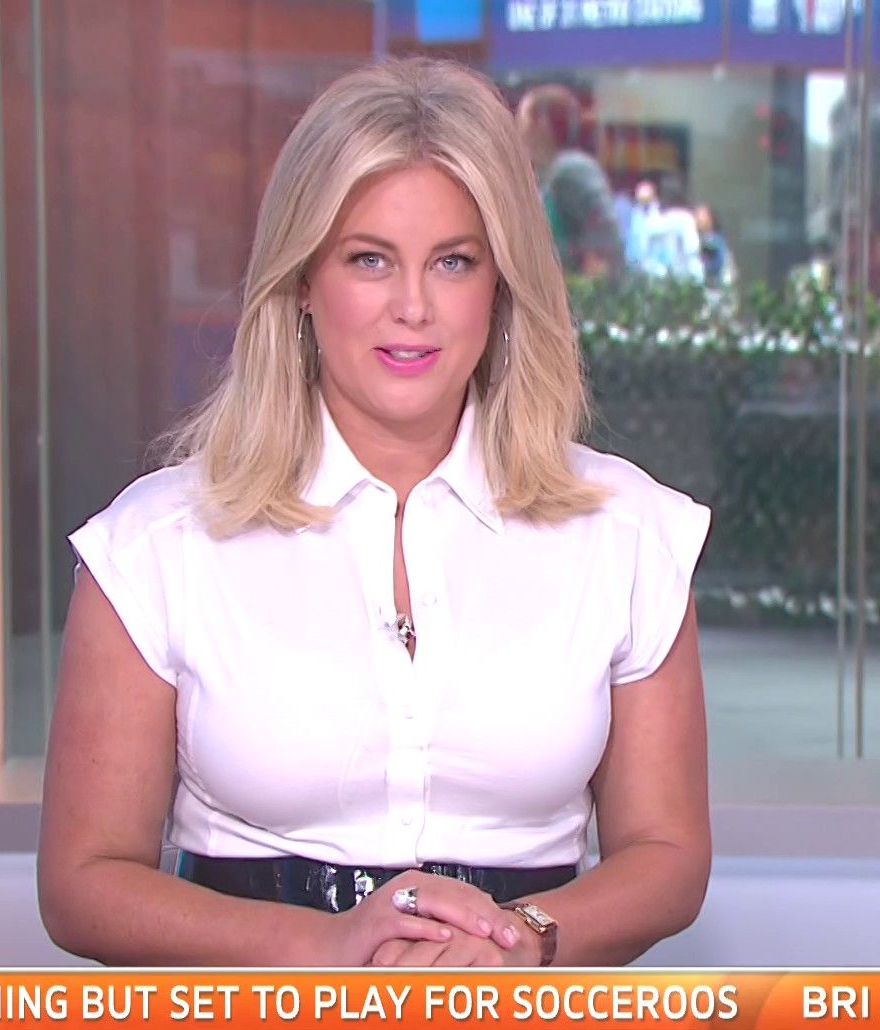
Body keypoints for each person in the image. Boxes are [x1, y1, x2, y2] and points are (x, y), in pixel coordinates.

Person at [39, 57, 713, 968]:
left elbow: (668, 856)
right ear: (302, 280)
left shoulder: (628, 533)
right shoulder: (158, 545)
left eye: (453, 262)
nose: (413, 308)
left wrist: (520, 938)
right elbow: (82, 882)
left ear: (501, 284)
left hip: (523, 1022)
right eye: (369, 260)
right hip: (251, 1026)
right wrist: (326, 947)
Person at [516, 83, 624, 282]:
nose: (518, 129)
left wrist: (591, 282)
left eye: (522, 119)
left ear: (541, 124)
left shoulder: (572, 169)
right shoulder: (545, 176)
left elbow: (604, 237)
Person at [625, 178, 705, 282]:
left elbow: (691, 248)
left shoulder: (683, 218)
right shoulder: (639, 216)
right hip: (654, 272)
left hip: (676, 272)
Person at [693, 204, 737, 289]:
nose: (697, 220)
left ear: (710, 220)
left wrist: (700, 267)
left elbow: (718, 262)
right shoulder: (704, 239)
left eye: (700, 217)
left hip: (717, 287)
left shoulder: (714, 240)